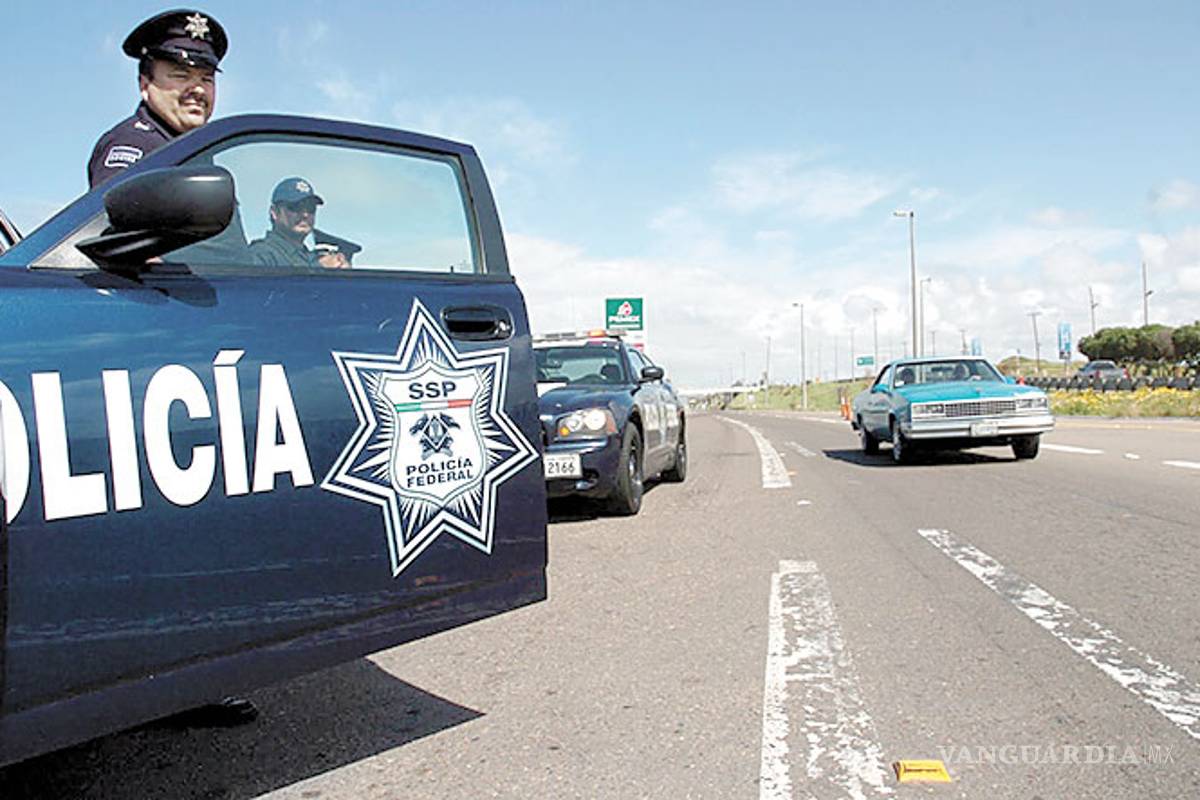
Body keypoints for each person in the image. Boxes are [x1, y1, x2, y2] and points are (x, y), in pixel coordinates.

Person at [88, 10, 228, 189]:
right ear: (145, 86)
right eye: (181, 76)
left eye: (207, 79)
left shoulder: (200, 152)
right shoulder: (135, 146)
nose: (198, 89)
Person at [248, 178, 331, 268]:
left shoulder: (312, 258)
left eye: (311, 208)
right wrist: (320, 269)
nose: (305, 214)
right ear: (274, 212)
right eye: (295, 207)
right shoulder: (261, 255)